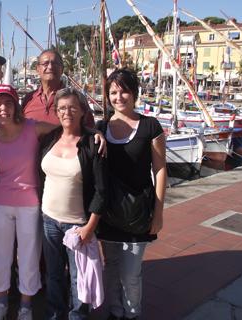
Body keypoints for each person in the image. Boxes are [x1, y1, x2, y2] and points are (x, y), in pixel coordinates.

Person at [96, 68, 166, 320]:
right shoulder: (100, 128)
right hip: (108, 213)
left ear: (134, 93)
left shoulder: (150, 126)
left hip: (139, 212)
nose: (118, 97)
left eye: (124, 90)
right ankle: (115, 311)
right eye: (113, 92)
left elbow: (159, 170)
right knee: (111, 266)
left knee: (131, 272)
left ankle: (132, 313)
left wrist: (158, 213)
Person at [0, 84, 57, 320]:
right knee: (0, 255)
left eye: (7, 103)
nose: (3, 108)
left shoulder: (33, 128)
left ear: (15, 105)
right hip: (0, 203)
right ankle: (2, 302)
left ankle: (25, 305)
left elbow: (65, 131)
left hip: (29, 203)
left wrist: (93, 133)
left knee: (29, 255)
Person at [39, 87, 107, 320]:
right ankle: (55, 314)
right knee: (53, 274)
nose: (66, 112)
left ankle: (77, 316)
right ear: (56, 112)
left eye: (72, 108)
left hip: (77, 225)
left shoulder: (91, 143)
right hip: (48, 220)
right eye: (62, 108)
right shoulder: (50, 138)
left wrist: (90, 226)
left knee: (80, 278)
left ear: (81, 112)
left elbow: (101, 190)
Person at [22, 49, 94, 127]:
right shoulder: (28, 99)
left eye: (55, 63)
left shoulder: (77, 98)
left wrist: (96, 133)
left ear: (62, 69)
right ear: (37, 69)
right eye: (45, 64)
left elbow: (90, 130)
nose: (50, 67)